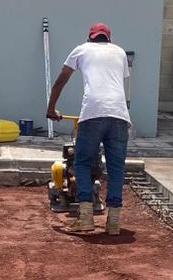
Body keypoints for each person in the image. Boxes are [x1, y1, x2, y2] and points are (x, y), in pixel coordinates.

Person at [46, 23, 131, 234]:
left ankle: (85, 217)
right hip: (119, 114)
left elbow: (60, 81)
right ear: (109, 39)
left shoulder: (81, 49)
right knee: (116, 168)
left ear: (90, 38)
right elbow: (119, 83)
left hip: (93, 112)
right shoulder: (120, 52)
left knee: (82, 163)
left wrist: (51, 108)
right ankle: (114, 222)